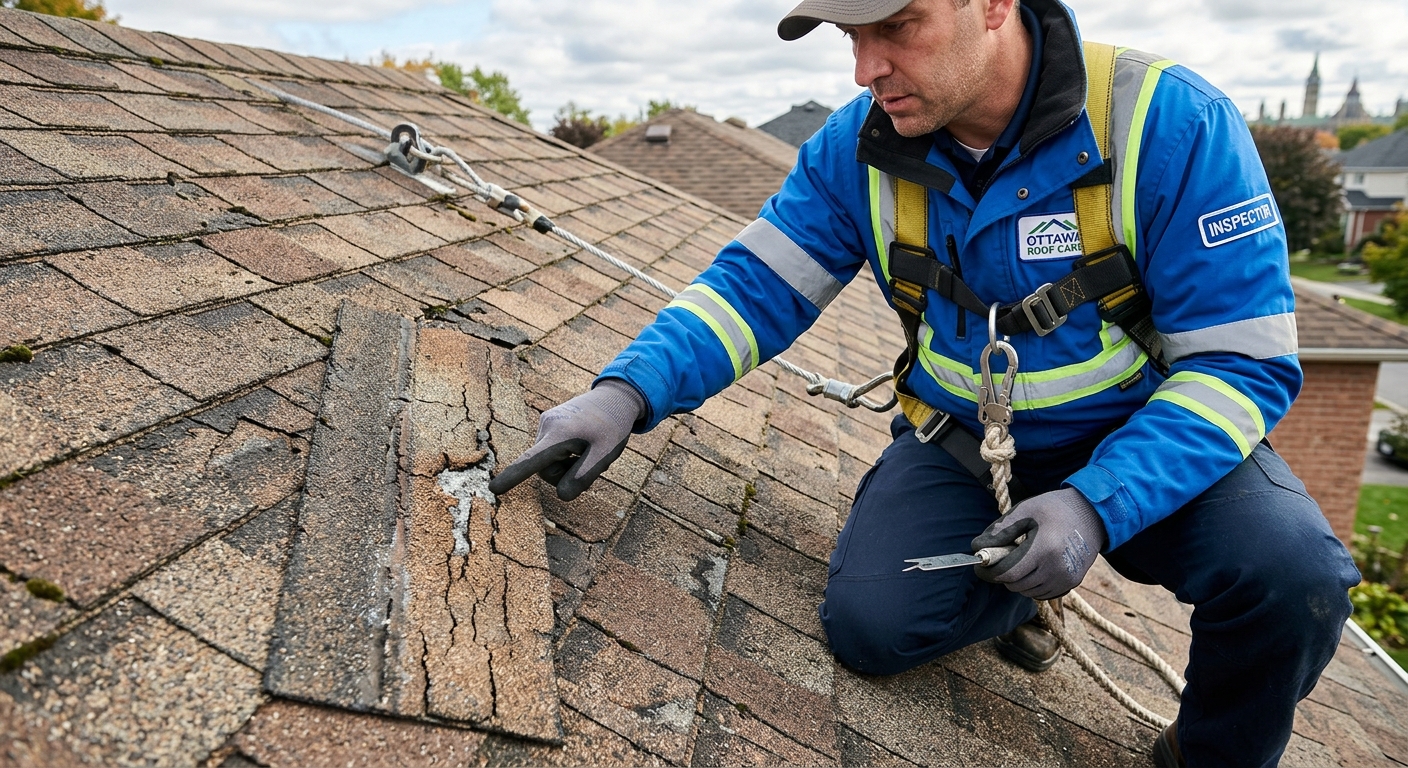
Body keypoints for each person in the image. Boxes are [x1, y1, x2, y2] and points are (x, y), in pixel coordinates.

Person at [488, 0, 1360, 764]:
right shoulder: (855, 147)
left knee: (1294, 576)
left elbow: (1241, 364)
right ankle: (1018, 603)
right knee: (871, 628)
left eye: (898, 28)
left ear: (992, 4)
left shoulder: (1170, 126)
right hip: (965, 449)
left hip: (1148, 441)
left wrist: (1099, 503)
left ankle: (1206, 754)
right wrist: (628, 389)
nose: (868, 68)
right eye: (851, 35)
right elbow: (756, 289)